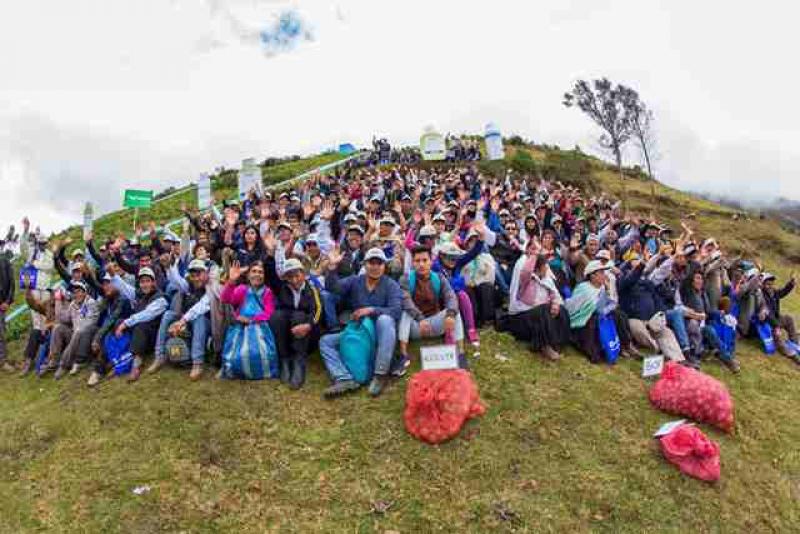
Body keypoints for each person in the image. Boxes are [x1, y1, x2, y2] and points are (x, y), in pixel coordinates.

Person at [319, 247, 403, 398]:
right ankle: (344, 378)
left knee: (385, 320)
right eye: (371, 262)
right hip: (358, 331)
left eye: (379, 263)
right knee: (326, 341)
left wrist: (371, 310)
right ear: (365, 264)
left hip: (380, 334)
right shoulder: (355, 281)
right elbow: (332, 288)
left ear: (384, 266)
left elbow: (396, 311)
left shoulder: (391, 285)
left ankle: (380, 374)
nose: (375, 267)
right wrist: (331, 267)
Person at [397, 246, 465, 371]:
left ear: (431, 261)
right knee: (405, 313)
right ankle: (403, 355)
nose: (421, 264)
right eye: (417, 261)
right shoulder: (405, 279)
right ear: (412, 262)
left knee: (455, 312)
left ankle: (461, 354)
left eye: (424, 260)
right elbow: (406, 301)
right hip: (416, 326)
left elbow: (450, 296)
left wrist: (450, 314)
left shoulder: (439, 277)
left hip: (434, 323)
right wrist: (420, 318)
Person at [149, 259, 213, 381]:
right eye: (193, 275)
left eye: (199, 274)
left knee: (199, 316)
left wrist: (182, 321)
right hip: (187, 320)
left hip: (206, 325)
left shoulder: (212, 287)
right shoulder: (189, 286)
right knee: (168, 314)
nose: (196, 278)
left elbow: (200, 307)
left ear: (206, 273)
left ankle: (197, 362)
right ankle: (159, 355)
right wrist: (169, 267)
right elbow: (177, 280)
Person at [566, 260, 637, 364]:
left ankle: (625, 345)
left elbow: (611, 304)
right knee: (596, 318)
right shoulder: (584, 288)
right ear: (592, 275)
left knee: (619, 314)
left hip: (599, 317)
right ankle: (598, 350)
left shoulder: (603, 287)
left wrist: (608, 293)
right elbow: (574, 308)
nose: (604, 275)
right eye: (601, 273)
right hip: (583, 323)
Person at [268, 258, 323, 389]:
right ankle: (284, 359)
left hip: (307, 334)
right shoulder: (282, 287)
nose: (294, 280)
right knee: (277, 316)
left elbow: (318, 310)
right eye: (290, 276)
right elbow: (270, 275)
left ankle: (299, 361)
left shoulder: (312, 288)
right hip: (288, 332)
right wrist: (270, 255)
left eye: (297, 275)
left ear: (303, 274)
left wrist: (309, 325)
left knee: (299, 315)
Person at [219, 260, 279, 380]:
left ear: (264, 276)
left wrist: (252, 320)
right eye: (254, 271)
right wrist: (231, 281)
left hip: (260, 328)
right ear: (248, 275)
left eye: (260, 272)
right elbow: (226, 299)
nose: (257, 274)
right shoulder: (242, 289)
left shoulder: (267, 292)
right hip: (240, 328)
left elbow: (269, 312)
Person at [507, 251, 570, 361]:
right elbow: (526, 271)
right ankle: (543, 346)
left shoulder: (547, 280)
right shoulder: (527, 279)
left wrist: (555, 304)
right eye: (545, 265)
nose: (547, 268)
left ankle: (557, 343)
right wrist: (535, 255)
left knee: (562, 310)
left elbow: (556, 296)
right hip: (523, 317)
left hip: (541, 316)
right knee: (543, 310)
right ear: (538, 267)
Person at [112, 266, 169, 382]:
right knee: (118, 322)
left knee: (140, 325)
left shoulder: (161, 299)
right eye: (142, 282)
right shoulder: (139, 294)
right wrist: (113, 275)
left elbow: (147, 314)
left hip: (153, 336)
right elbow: (124, 288)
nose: (145, 285)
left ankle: (136, 365)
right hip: (141, 336)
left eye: (148, 281)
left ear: (153, 282)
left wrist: (126, 324)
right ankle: (120, 359)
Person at [678, 270, 741, 372]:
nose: (700, 281)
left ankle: (727, 358)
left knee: (722, 327)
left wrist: (719, 313)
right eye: (697, 278)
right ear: (691, 280)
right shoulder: (687, 291)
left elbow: (708, 311)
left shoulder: (703, 294)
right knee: (709, 330)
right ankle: (727, 360)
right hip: (690, 323)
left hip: (703, 325)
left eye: (701, 278)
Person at [87, 274, 133, 386]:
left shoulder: (122, 299)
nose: (105, 287)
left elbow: (112, 319)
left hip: (127, 332)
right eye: (104, 284)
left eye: (109, 283)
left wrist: (98, 337)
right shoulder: (109, 300)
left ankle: (98, 370)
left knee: (110, 330)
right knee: (92, 329)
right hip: (114, 332)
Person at [51, 281, 100, 379]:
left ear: (85, 292)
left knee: (78, 331)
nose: (76, 294)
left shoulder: (91, 303)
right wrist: (58, 302)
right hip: (74, 335)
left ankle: (64, 365)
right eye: (74, 292)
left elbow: (90, 322)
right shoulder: (73, 304)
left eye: (79, 292)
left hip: (86, 338)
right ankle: (55, 360)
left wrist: (77, 327)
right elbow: (63, 318)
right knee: (58, 328)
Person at [761, 272, 798, 361]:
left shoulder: (774, 292)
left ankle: (795, 343)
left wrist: (791, 283)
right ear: (763, 285)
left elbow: (783, 292)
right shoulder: (761, 296)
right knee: (777, 336)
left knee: (788, 319)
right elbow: (768, 314)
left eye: (772, 284)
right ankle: (789, 353)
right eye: (768, 284)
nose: (770, 286)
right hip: (767, 323)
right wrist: (776, 326)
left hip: (776, 319)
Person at [0, 248, 14, 372]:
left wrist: (7, 301)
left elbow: (11, 282)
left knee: (1, 332)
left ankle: (3, 360)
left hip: (2, 304)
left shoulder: (5, 261)